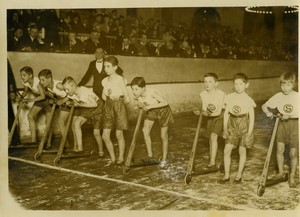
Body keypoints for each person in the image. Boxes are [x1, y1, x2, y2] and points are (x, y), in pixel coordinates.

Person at [261, 72, 299, 188]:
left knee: (293, 153)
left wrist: (291, 116)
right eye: (283, 84)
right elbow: (264, 106)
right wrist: (268, 112)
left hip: (295, 125)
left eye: (288, 84)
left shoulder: (297, 96)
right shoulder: (278, 96)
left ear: (293, 84)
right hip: (281, 124)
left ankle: (292, 176)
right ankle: (281, 173)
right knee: (280, 149)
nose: (285, 87)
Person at [219, 73, 256, 184]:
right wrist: (225, 128)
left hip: (244, 124)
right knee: (227, 150)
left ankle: (239, 175)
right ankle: (226, 175)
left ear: (247, 85)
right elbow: (226, 114)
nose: (238, 86)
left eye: (241, 84)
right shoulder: (229, 97)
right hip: (232, 124)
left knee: (242, 150)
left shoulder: (249, 99)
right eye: (236, 84)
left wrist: (249, 132)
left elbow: (252, 117)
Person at [130, 77, 174, 169]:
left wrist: (150, 106)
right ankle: (150, 156)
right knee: (145, 131)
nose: (134, 92)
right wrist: (139, 105)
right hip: (152, 110)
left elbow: (165, 102)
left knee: (163, 136)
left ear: (143, 88)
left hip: (163, 110)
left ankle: (164, 159)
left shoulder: (152, 93)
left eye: (136, 89)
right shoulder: (137, 95)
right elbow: (139, 103)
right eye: (133, 89)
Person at [61, 76, 103, 155]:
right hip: (87, 108)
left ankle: (101, 151)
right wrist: (70, 103)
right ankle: (80, 147)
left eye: (67, 89)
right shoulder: (72, 93)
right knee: (76, 123)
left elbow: (95, 104)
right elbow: (73, 101)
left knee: (96, 133)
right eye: (65, 90)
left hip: (98, 109)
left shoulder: (85, 92)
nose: (66, 92)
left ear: (73, 86)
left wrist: (79, 105)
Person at [101, 56, 130, 165]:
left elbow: (127, 98)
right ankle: (112, 157)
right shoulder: (104, 81)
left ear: (115, 67)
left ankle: (121, 157)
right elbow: (103, 97)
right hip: (108, 106)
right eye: (104, 66)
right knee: (105, 135)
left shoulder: (120, 79)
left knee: (119, 134)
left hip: (119, 106)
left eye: (108, 66)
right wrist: (107, 95)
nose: (105, 69)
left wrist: (118, 98)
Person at [194, 73, 226, 168]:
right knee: (210, 139)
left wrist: (205, 113)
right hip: (210, 117)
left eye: (210, 82)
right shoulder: (203, 94)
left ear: (216, 83)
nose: (207, 84)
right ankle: (212, 157)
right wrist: (200, 111)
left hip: (221, 116)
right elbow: (204, 108)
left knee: (213, 136)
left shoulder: (221, 94)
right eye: (205, 82)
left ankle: (212, 161)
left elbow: (218, 111)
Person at [38, 69, 69, 148]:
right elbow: (57, 96)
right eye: (40, 80)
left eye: (43, 80)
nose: (41, 82)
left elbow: (72, 91)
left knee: (62, 122)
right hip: (65, 102)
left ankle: (67, 145)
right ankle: (66, 144)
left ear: (50, 79)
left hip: (72, 100)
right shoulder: (48, 88)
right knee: (60, 123)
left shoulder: (58, 85)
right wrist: (54, 100)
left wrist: (63, 101)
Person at [19, 66, 49, 144]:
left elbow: (43, 96)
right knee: (30, 116)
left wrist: (30, 100)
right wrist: (21, 97)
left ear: (30, 75)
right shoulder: (25, 82)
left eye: (24, 75)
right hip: (40, 99)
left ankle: (49, 142)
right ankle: (34, 140)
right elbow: (25, 91)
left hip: (49, 99)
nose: (22, 77)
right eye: (21, 75)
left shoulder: (37, 82)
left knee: (48, 122)